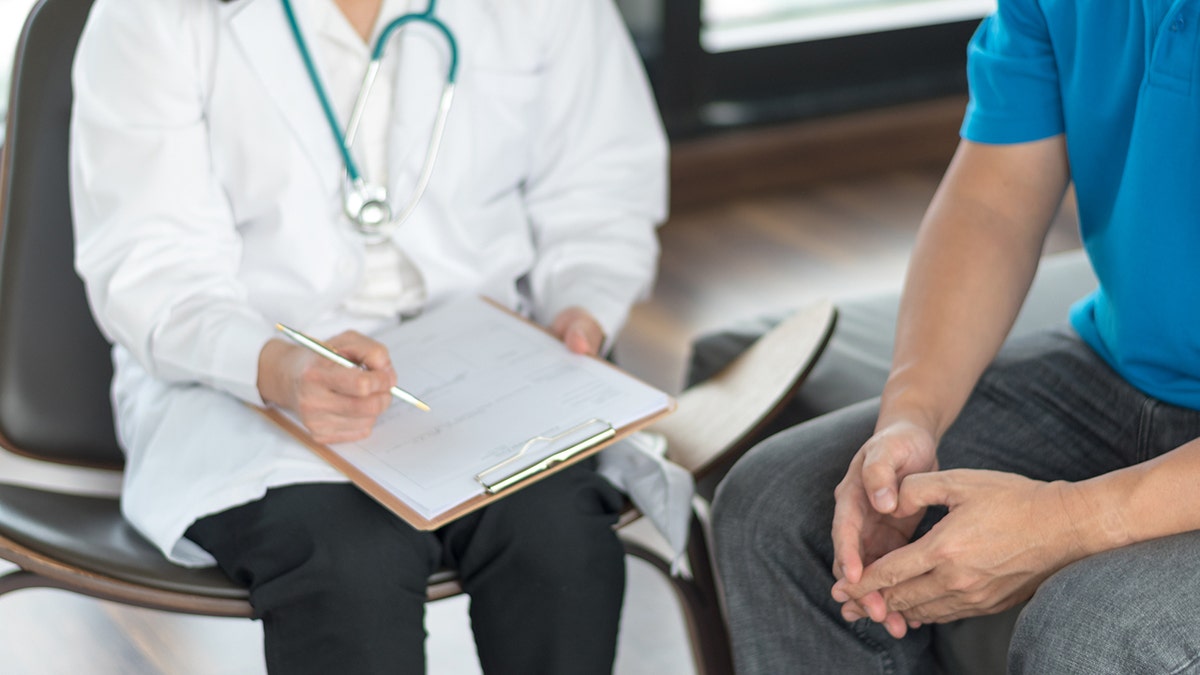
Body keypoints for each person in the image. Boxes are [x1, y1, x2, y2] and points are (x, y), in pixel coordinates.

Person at [68, 0, 667, 673]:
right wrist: (271, 367)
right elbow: (152, 265)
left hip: (489, 367)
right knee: (347, 561)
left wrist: (582, 304)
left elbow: (601, 182)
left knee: (558, 535)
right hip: (242, 385)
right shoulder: (151, 15)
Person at [712, 1, 1200, 672]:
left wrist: (1070, 521)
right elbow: (991, 204)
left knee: (1092, 632)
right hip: (1122, 366)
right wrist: (911, 415)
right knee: (774, 509)